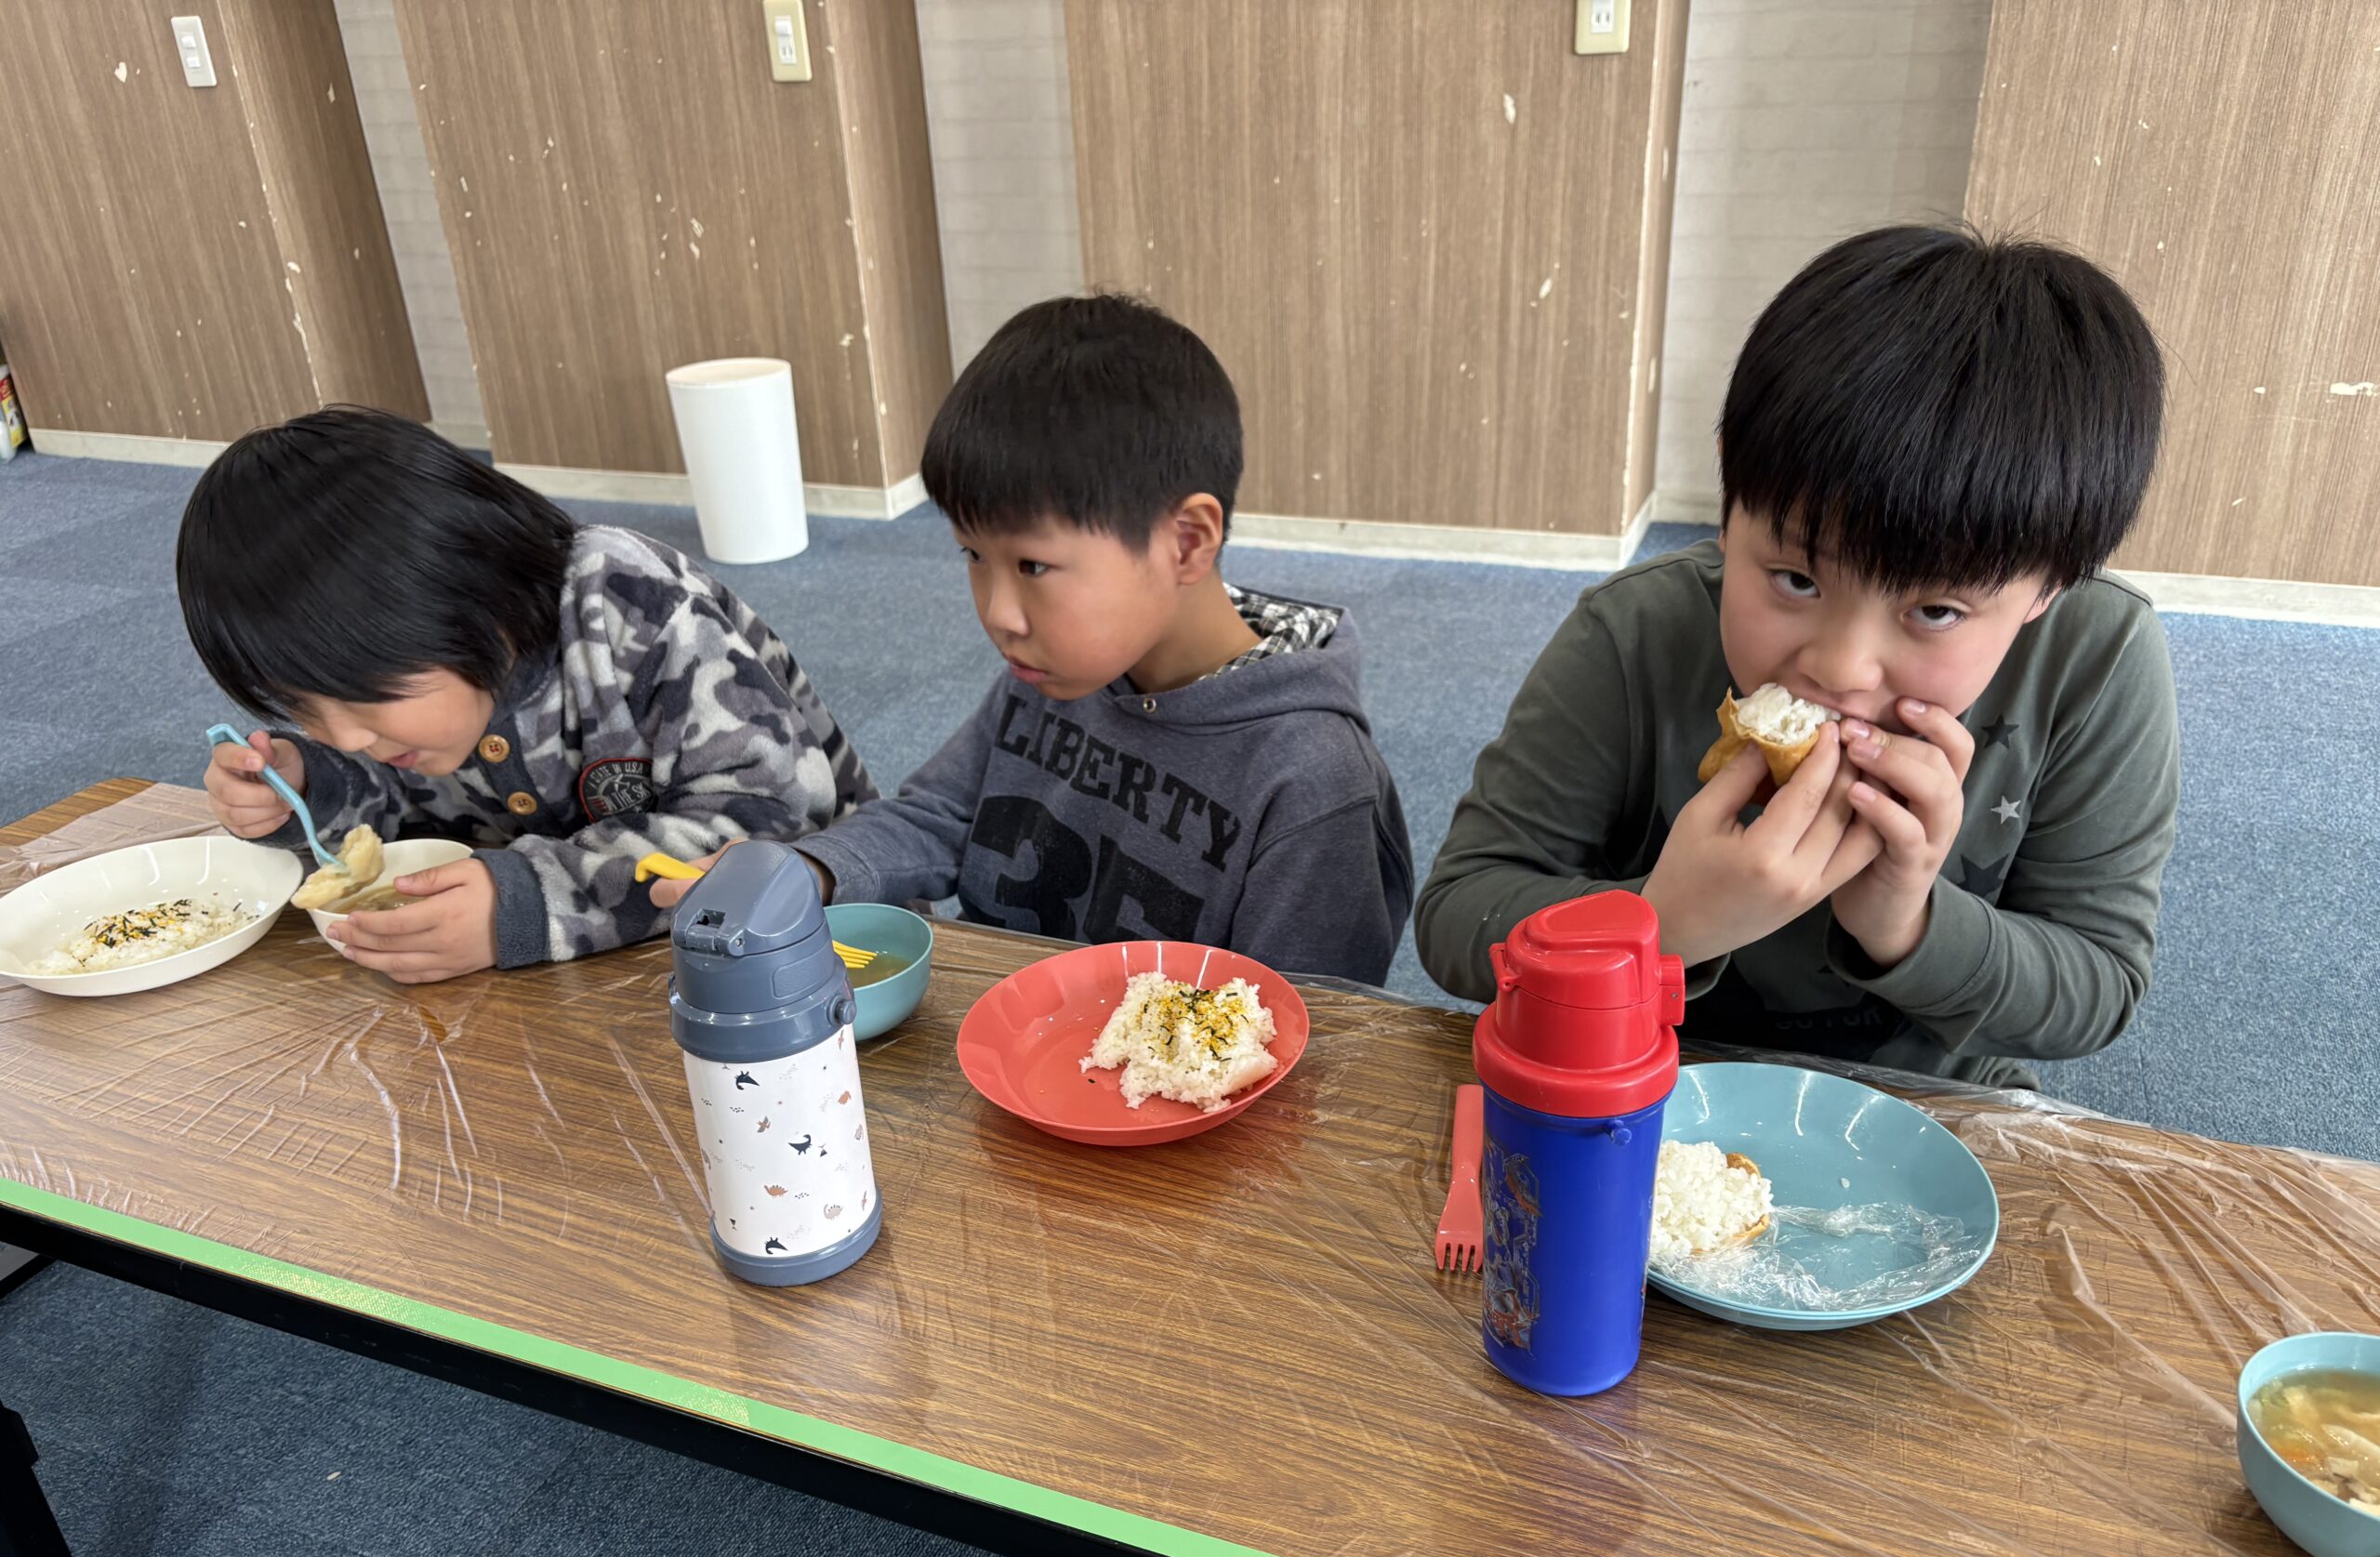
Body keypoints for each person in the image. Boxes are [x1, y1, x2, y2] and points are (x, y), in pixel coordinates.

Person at [1417, 226, 2176, 1087]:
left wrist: (1907, 923)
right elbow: (1456, 916)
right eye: (1795, 579)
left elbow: (2098, 986)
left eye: (1935, 610)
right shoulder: (1636, 631)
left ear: (2049, 589)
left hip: (1935, 1101)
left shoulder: (2095, 658)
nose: (1844, 669)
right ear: (1729, 497)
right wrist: (1660, 925)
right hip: (1636, 1081)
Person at [661, 294, 1413, 983]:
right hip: (1012, 1037)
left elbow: (1310, 1027)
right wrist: (809, 870)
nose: (1000, 614)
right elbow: (944, 814)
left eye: (1034, 566)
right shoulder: (1055, 672)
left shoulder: (1311, 778)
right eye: (973, 555)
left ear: (1186, 541)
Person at [184, 406, 875, 983]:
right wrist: (312, 791)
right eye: (302, 707)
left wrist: (525, 904)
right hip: (587, 981)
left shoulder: (630, 603)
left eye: (363, 695)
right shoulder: (414, 717)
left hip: (818, 952)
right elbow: (407, 823)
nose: (344, 735)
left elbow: (773, 823)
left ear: (471, 604)